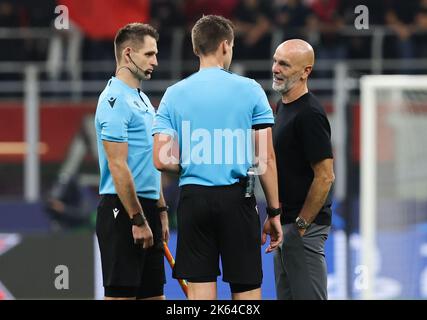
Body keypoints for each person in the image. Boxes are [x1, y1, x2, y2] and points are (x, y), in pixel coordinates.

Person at [152, 15, 282, 300]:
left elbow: (161, 160)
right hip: (238, 200)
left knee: (200, 296)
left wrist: (193, 164)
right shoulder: (251, 90)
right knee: (246, 295)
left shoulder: (173, 95)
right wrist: (273, 212)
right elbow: (265, 159)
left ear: (196, 48)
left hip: (193, 199)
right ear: (226, 46)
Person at [94, 23, 169, 300]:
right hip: (122, 211)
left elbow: (150, 160)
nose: (155, 62)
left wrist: (160, 209)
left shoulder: (143, 100)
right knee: (121, 296)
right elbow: (118, 165)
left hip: (146, 208)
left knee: (154, 296)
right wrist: (137, 218)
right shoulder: (113, 100)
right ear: (128, 54)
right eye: (149, 54)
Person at [271, 39, 335, 300]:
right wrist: (275, 213)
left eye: (284, 64)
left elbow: (325, 176)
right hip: (285, 226)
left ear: (305, 71)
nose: (275, 68)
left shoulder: (309, 114)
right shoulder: (281, 107)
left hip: (303, 228)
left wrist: (300, 226)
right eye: (275, 60)